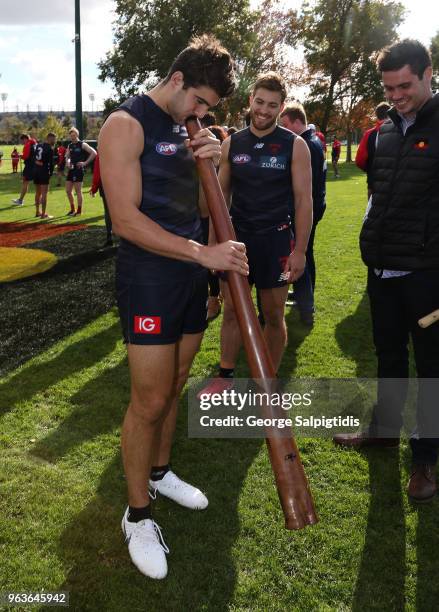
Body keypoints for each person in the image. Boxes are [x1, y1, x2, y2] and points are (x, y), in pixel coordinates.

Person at [98, 34, 248, 580]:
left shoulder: (195, 133)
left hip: (190, 275)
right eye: (201, 102)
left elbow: (210, 207)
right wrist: (203, 253)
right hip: (150, 278)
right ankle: (137, 515)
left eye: (210, 109)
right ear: (178, 79)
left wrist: (217, 162)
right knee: (150, 397)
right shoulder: (126, 124)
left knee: (179, 379)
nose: (203, 115)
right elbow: (127, 221)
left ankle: (160, 473)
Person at [333, 39, 439, 503]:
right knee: (389, 357)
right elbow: (378, 195)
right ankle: (383, 430)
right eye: (388, 88)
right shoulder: (384, 131)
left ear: (428, 73)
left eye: (404, 86)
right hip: (383, 271)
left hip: (428, 275)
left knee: (432, 371)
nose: (395, 96)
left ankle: (425, 459)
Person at [200, 72, 312, 395]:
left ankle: (267, 382)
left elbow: (304, 202)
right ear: (251, 100)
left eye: (272, 105)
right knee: (233, 309)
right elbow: (218, 199)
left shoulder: (295, 146)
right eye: (259, 102)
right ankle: (224, 374)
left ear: (281, 107)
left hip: (276, 239)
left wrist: (300, 250)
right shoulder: (232, 143)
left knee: (273, 314)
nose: (264, 110)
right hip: (237, 240)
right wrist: (211, 243)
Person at [280, 103, 326, 326]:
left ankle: (306, 304)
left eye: (286, 125)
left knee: (299, 255)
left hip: (307, 209)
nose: (285, 130)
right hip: (315, 205)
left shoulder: (306, 144)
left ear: (298, 122)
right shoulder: (314, 140)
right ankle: (304, 299)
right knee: (306, 252)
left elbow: (304, 188)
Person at [199, 124, 228, 321]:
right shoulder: (198, 162)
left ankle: (216, 298)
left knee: (216, 261)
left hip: (217, 219)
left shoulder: (223, 165)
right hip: (199, 218)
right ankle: (212, 298)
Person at [355, 102, 391, 198]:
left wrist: (370, 170)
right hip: (396, 182)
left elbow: (360, 160)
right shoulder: (401, 130)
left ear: (377, 116)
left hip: (374, 181)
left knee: (373, 210)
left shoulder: (369, 134)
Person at [65, 127, 96, 216]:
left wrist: (85, 163)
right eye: (71, 136)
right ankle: (72, 209)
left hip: (78, 170)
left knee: (78, 190)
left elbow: (94, 153)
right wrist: (68, 162)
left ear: (77, 135)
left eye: (74, 135)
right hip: (71, 170)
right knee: (68, 190)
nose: (72, 137)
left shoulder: (82, 144)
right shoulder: (70, 145)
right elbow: (67, 156)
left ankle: (79, 211)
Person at [90, 152, 113, 247]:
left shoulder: (103, 151)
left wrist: (94, 186)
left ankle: (109, 236)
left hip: (106, 184)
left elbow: (97, 170)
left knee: (108, 211)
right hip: (121, 183)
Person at [33, 132, 57, 219]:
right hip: (44, 172)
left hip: (36, 171)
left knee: (37, 193)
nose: (55, 141)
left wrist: (38, 163)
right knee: (44, 194)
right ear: (49, 138)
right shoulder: (50, 149)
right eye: (54, 139)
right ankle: (43, 214)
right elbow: (51, 164)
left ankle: (37, 212)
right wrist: (50, 174)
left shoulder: (38, 145)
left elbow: (35, 158)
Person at [12, 134, 37, 206]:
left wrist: (20, 156)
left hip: (29, 166)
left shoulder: (28, 144)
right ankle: (38, 200)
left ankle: (20, 200)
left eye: (22, 140)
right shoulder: (35, 143)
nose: (22, 142)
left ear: (25, 139)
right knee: (38, 183)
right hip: (36, 166)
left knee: (25, 182)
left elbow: (26, 156)